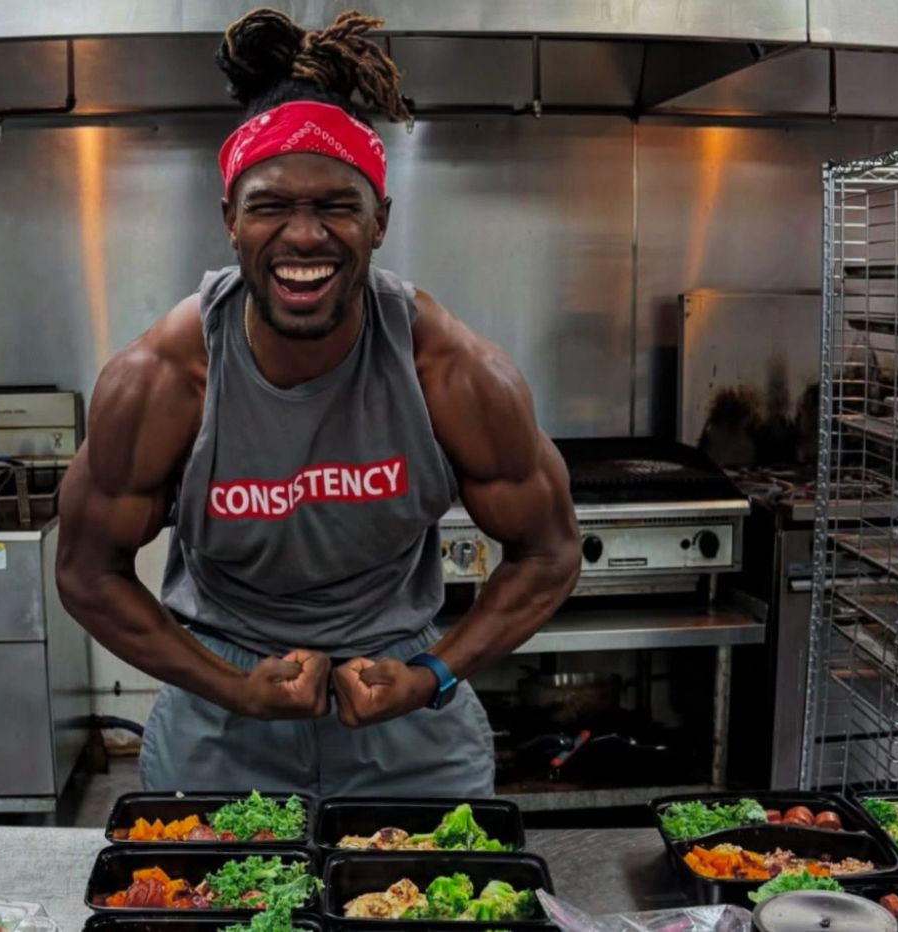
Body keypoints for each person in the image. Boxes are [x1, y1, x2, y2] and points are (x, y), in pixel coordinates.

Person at [57, 8, 580, 796]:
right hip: (220, 703)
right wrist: (234, 689)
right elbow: (87, 572)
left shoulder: (452, 371)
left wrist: (432, 674)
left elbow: (550, 553)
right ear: (231, 221)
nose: (304, 236)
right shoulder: (161, 378)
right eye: (270, 206)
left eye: (337, 205)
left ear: (379, 222)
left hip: (401, 698)